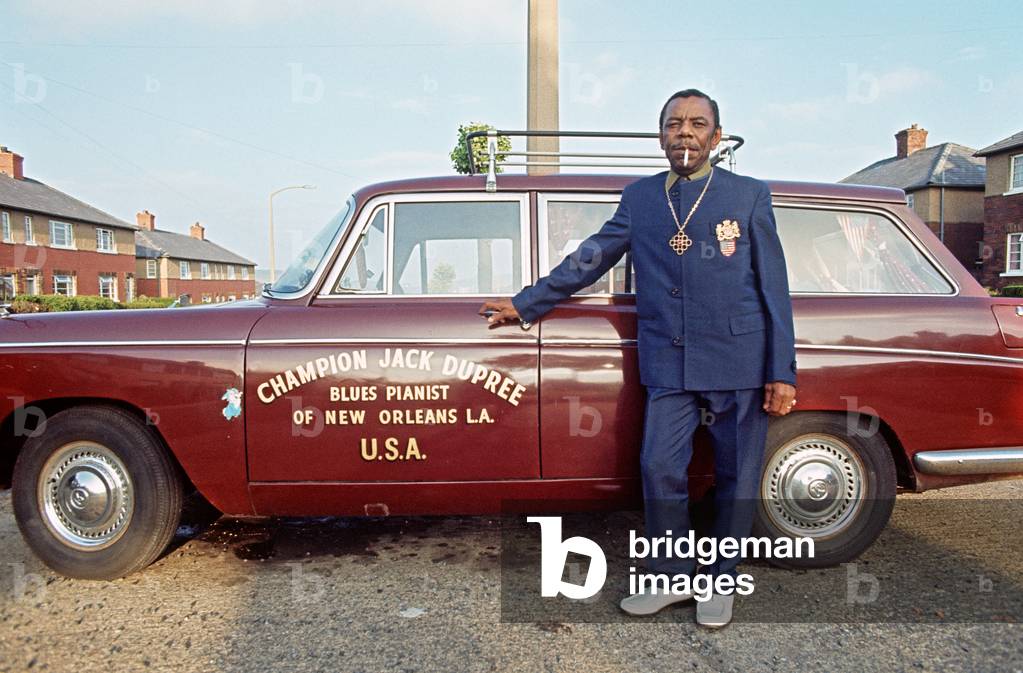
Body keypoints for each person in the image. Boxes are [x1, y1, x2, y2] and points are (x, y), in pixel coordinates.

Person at [478, 89, 797, 628]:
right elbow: (591, 257)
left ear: (716, 138)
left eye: (697, 124)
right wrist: (525, 302)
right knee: (658, 467)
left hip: (739, 359)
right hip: (668, 361)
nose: (685, 133)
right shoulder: (641, 198)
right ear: (661, 137)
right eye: (674, 124)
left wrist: (780, 371)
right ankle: (669, 579)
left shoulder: (748, 196)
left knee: (737, 476)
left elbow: (774, 287)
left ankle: (721, 585)